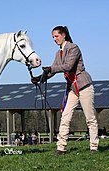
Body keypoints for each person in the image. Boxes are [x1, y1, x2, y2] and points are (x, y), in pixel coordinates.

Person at [31, 26, 99, 154]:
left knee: (90, 118)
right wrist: (40, 78)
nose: (54, 39)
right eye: (53, 37)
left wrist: (50, 70)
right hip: (72, 89)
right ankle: (61, 147)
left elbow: (67, 66)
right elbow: (54, 69)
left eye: (56, 36)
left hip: (84, 86)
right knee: (65, 117)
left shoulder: (73, 48)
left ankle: (94, 146)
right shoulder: (59, 53)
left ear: (64, 35)